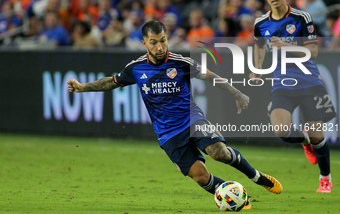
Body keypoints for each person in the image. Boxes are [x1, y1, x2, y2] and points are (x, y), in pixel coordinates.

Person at [67, 20, 282, 210]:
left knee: (219, 153)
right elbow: (111, 82)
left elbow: (210, 76)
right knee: (200, 176)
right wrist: (82, 87)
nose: (159, 47)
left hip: (192, 119)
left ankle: (256, 176)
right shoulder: (136, 68)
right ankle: (238, 199)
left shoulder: (181, 62)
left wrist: (237, 93)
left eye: (162, 40)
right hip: (167, 133)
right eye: (153, 42)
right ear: (144, 43)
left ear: (167, 38)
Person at [250, 0, 336, 193]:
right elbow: (260, 47)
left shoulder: (301, 17)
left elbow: (313, 52)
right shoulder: (260, 23)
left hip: (309, 81)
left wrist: (286, 47)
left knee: (319, 136)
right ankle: (304, 139)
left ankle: (325, 178)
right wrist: (256, 68)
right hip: (282, 83)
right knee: (280, 129)